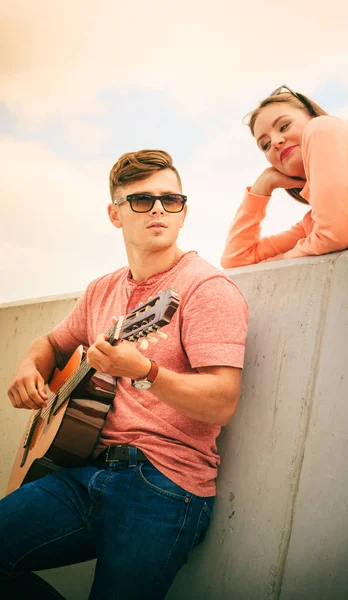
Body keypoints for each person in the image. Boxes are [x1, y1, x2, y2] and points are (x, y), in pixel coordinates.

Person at [1, 150, 248, 599]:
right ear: (115, 214)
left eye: (170, 200)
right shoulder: (103, 289)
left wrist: (147, 371)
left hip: (163, 486)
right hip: (82, 474)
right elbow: (51, 344)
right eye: (142, 200)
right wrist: (27, 367)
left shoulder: (206, 289)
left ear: (184, 212)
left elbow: (223, 401)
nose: (158, 208)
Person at [221, 85, 348, 267]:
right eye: (265, 145)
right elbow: (236, 258)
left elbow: (333, 236)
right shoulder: (315, 224)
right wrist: (262, 188)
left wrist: (282, 259)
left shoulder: (320, 126)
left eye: (284, 126)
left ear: (312, 117)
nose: (275, 142)